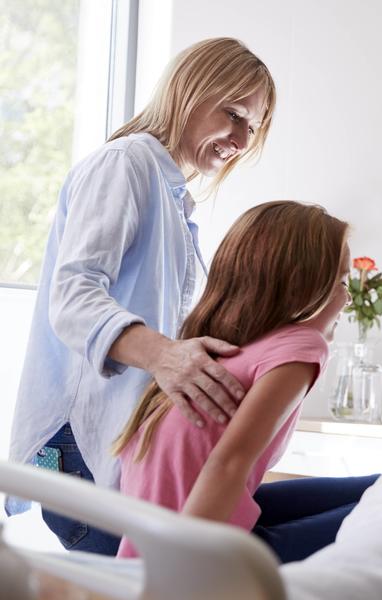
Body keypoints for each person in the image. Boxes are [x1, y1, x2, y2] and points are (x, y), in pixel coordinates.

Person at [6, 37, 277, 555]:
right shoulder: (126, 164)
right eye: (236, 114)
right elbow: (73, 293)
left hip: (104, 445)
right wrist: (167, 356)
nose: (243, 139)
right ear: (190, 91)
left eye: (254, 127)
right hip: (75, 447)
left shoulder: (170, 193)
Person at [112, 201, 378, 563]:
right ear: (304, 286)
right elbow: (229, 465)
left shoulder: (216, 349)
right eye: (342, 282)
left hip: (157, 545)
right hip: (195, 555)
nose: (348, 298)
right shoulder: (301, 345)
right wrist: (177, 577)